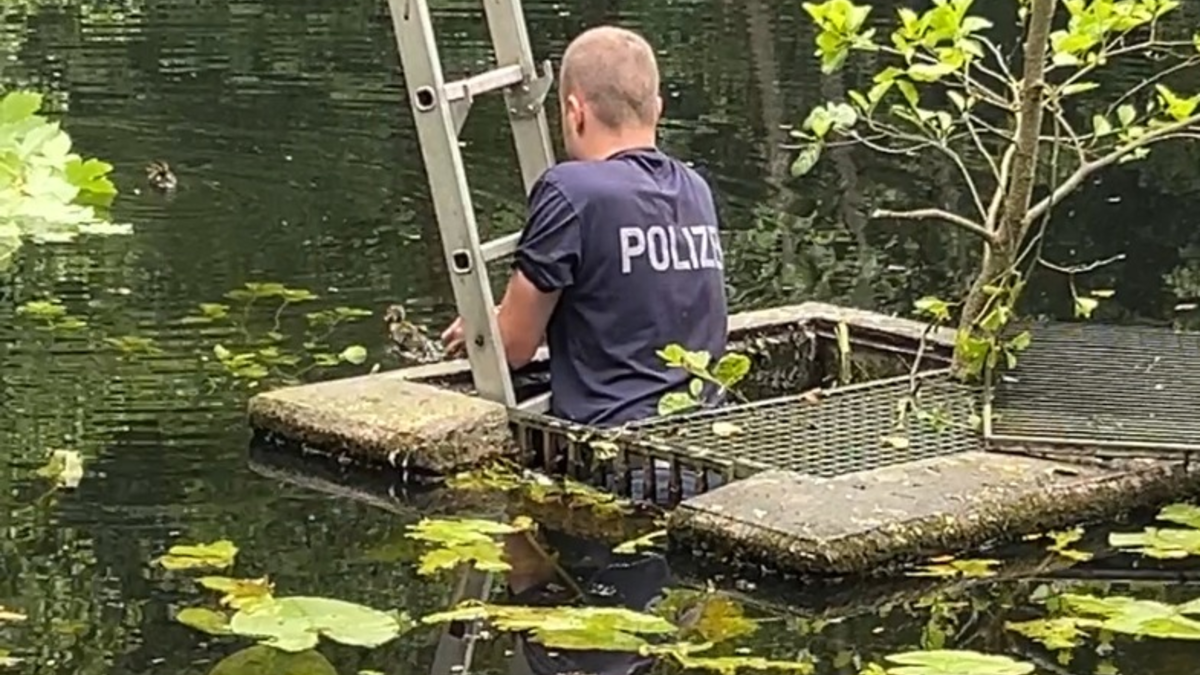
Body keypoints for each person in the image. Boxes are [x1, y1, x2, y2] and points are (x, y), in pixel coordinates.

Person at [441, 25, 729, 429]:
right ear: (657, 108)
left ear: (575, 113)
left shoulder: (572, 191)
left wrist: (484, 326)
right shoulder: (694, 189)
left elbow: (512, 348)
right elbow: (630, 311)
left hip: (617, 451)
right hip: (704, 436)